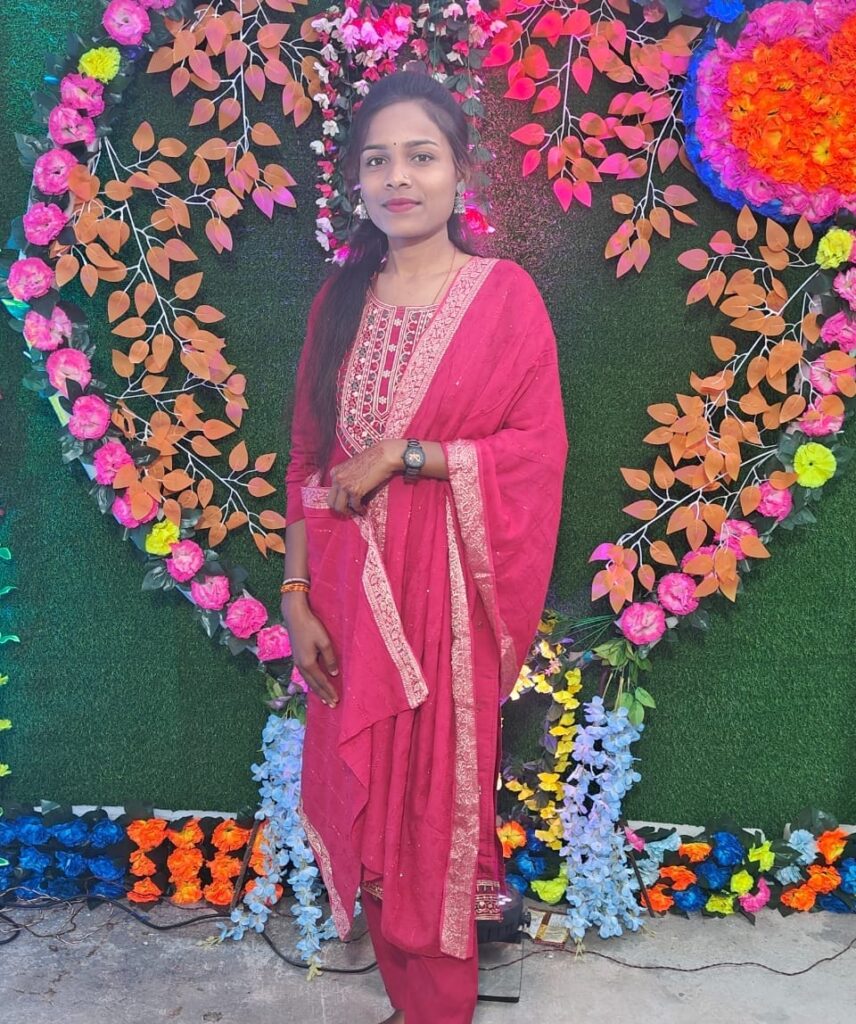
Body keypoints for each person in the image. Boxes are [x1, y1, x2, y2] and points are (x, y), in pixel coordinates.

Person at [281, 69, 568, 1024]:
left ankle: (436, 1008)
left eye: (420, 156)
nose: (397, 178)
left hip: (444, 605)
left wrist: (411, 454)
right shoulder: (338, 300)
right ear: (355, 180)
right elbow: (308, 459)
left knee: (432, 812)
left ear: (459, 172)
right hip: (344, 599)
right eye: (377, 160)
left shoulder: (504, 297)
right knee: (367, 804)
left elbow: (536, 451)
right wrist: (294, 596)